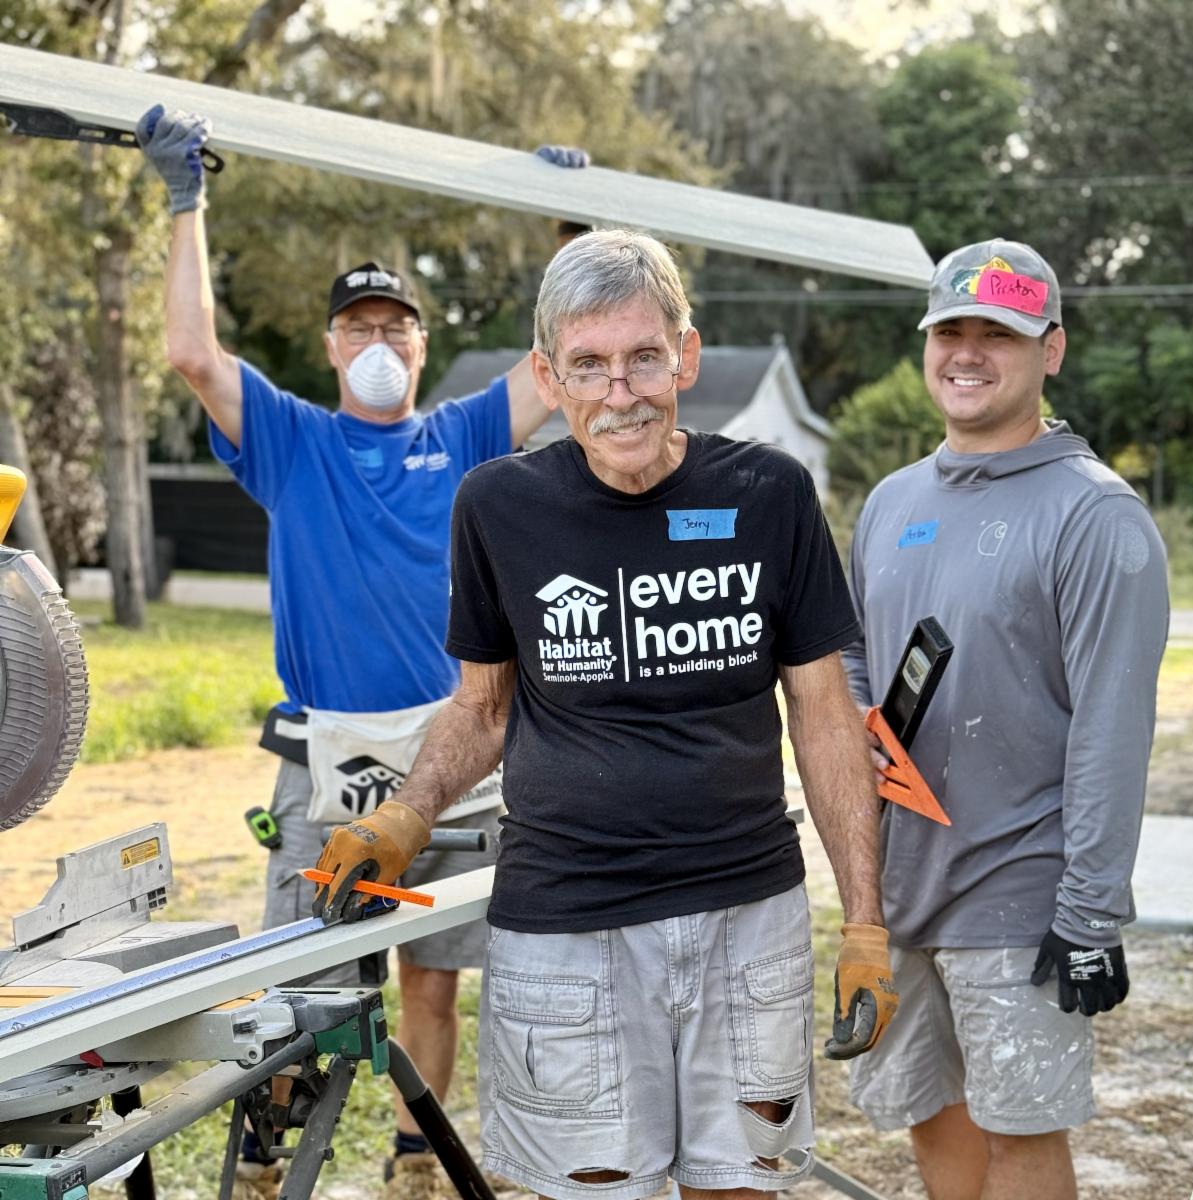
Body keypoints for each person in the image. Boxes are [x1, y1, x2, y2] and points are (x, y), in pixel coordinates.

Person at [313, 228, 899, 1198]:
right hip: (567, 927)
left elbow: (825, 715)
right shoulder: (497, 506)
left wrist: (865, 926)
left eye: (643, 358)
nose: (619, 391)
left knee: (739, 1189)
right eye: (587, 364)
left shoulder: (771, 495)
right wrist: (405, 815)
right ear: (548, 376)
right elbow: (482, 708)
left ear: (686, 357)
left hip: (747, 915)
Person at [136, 105, 587, 1200]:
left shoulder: (463, 436)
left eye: (396, 327)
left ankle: (416, 1159)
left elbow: (564, 365)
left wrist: (572, 229)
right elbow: (192, 353)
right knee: (301, 983)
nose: (378, 344)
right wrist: (187, 200)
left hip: (448, 760)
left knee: (432, 981)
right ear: (331, 345)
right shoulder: (292, 440)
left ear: (422, 346)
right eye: (358, 328)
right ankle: (266, 1160)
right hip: (326, 761)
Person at [841, 238, 1169, 1200]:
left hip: (1022, 894)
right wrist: (856, 714)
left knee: (1020, 1133)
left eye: (1000, 334)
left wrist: (1091, 914)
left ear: (1050, 350)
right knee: (931, 1113)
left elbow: (1113, 730)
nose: (968, 354)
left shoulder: (1095, 516)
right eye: (951, 331)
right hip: (900, 885)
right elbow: (855, 650)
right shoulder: (891, 501)